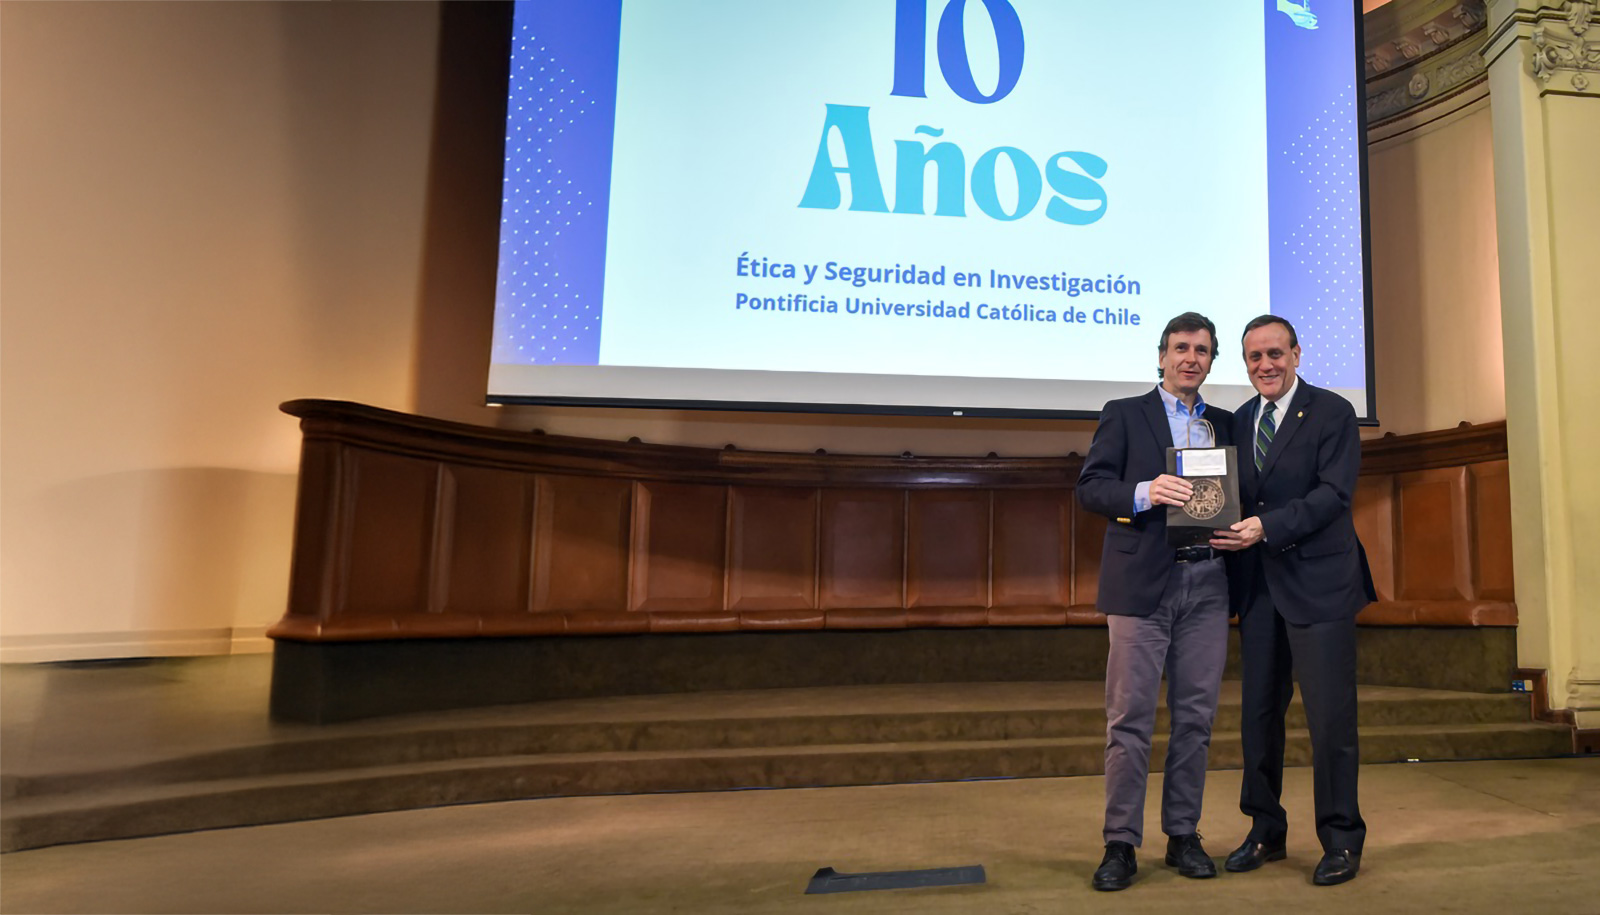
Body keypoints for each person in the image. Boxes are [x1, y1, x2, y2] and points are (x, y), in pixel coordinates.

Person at [1210, 314, 1374, 886]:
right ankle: (1265, 829)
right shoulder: (1239, 420)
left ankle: (1341, 839)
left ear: (1297, 354)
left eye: (1275, 353)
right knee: (1258, 715)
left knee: (1331, 720)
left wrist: (1265, 527)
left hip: (1321, 585)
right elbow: (1227, 496)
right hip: (1259, 587)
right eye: (1254, 357)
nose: (1266, 365)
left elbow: (1334, 494)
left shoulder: (1333, 411)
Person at [1077, 312, 1234, 892]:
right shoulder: (1124, 413)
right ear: (1162, 356)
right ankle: (1120, 843)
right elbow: (1091, 489)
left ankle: (1183, 834)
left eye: (1202, 350)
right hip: (1141, 583)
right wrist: (1146, 491)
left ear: (1211, 361)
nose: (1191, 358)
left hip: (1209, 582)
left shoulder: (1225, 423)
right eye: (1181, 348)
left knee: (1196, 718)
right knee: (1130, 720)